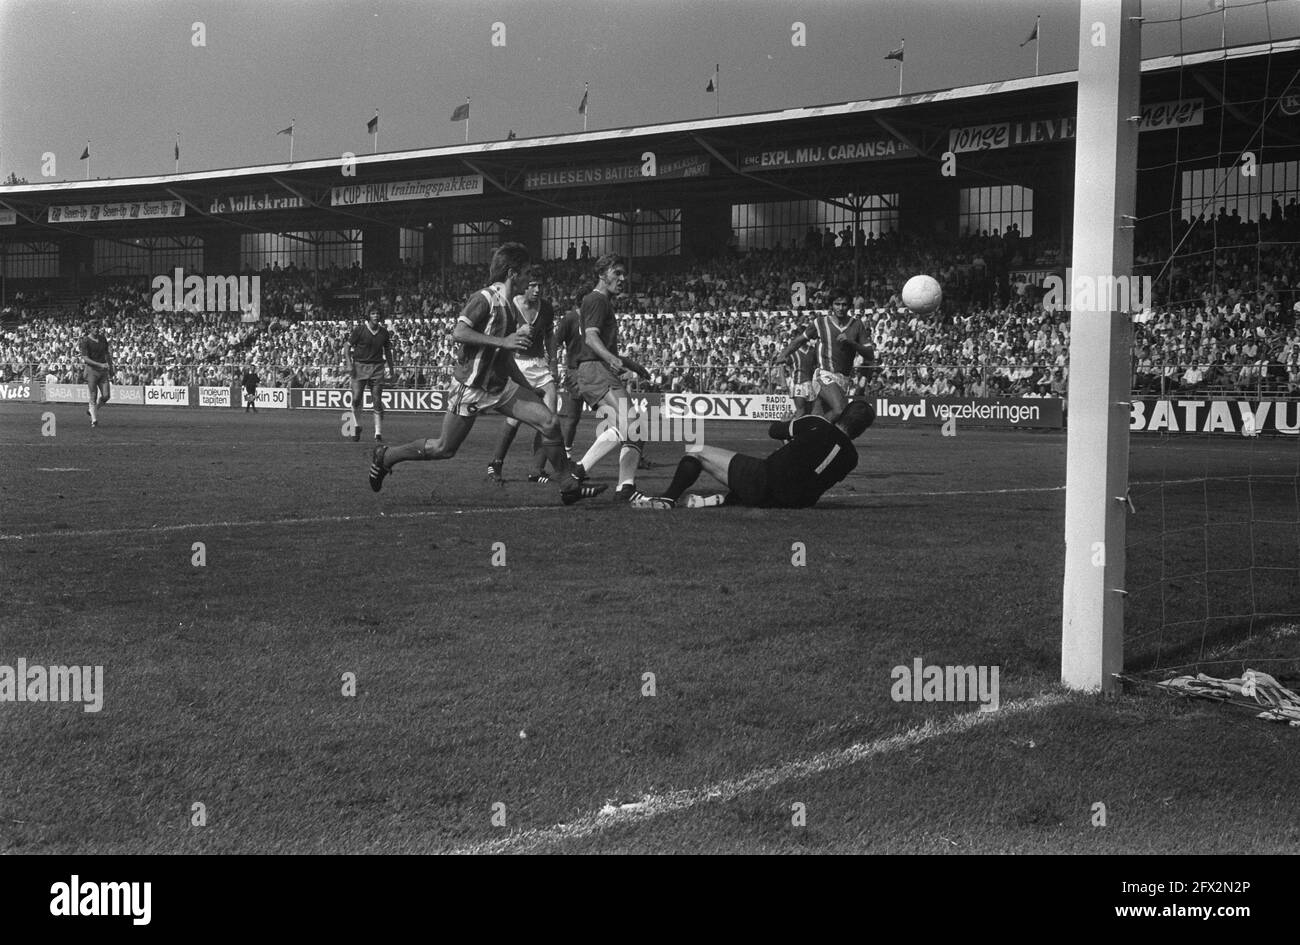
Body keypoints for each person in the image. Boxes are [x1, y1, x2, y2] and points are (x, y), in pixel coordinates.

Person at [367, 242, 604, 503]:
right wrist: (504, 342)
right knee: (443, 449)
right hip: (470, 388)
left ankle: (568, 486)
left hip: (500, 387)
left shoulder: (511, 307)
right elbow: (459, 332)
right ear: (512, 273)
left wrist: (526, 385)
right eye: (526, 272)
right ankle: (386, 456)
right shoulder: (484, 298)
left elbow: (504, 357)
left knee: (549, 422)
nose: (529, 278)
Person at [630, 400, 875, 510]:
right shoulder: (852, 459)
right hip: (799, 502)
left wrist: (788, 422)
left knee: (696, 450)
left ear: (843, 415)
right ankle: (716, 501)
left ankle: (667, 500)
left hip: (765, 484)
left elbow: (774, 431)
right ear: (862, 430)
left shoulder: (817, 424)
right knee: (766, 476)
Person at [561, 253, 652, 502]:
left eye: (623, 274)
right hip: (596, 370)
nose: (622, 279)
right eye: (617, 273)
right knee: (634, 426)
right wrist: (612, 361)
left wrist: (630, 363)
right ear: (602, 274)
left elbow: (598, 343)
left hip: (595, 369)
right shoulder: (597, 300)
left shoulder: (600, 302)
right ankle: (626, 489)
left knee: (620, 427)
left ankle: (578, 473)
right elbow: (590, 337)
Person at [487, 267, 558, 484]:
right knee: (516, 418)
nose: (537, 290)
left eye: (540, 286)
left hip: (540, 366)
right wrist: (516, 335)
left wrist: (553, 361)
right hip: (518, 365)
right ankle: (495, 464)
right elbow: (499, 334)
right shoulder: (511, 305)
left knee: (551, 418)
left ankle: (536, 470)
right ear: (524, 286)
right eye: (533, 285)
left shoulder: (546, 308)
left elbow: (549, 336)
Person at [770, 290, 873, 422]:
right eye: (837, 304)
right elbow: (800, 340)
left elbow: (869, 353)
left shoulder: (857, 325)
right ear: (831, 305)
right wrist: (784, 354)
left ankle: (791, 432)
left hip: (844, 378)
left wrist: (851, 342)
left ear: (849, 306)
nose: (841, 308)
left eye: (844, 304)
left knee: (817, 418)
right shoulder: (820, 323)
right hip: (824, 375)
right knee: (840, 410)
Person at [347, 303, 396, 442]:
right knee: (356, 398)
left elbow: (387, 351)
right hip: (359, 366)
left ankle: (378, 433)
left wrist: (392, 369)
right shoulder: (360, 330)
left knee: (377, 400)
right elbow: (346, 347)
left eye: (378, 313)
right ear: (369, 315)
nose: (376, 316)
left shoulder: (384, 333)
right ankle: (356, 425)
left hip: (377, 368)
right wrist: (349, 363)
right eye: (373, 313)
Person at [79, 319, 112, 427]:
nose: (96, 329)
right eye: (93, 327)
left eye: (97, 327)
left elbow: (107, 354)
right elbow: (85, 358)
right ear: (89, 329)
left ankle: (92, 410)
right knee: (93, 395)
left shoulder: (103, 339)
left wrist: (111, 367)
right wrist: (100, 365)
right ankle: (94, 420)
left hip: (103, 370)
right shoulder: (85, 341)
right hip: (92, 370)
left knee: (106, 396)